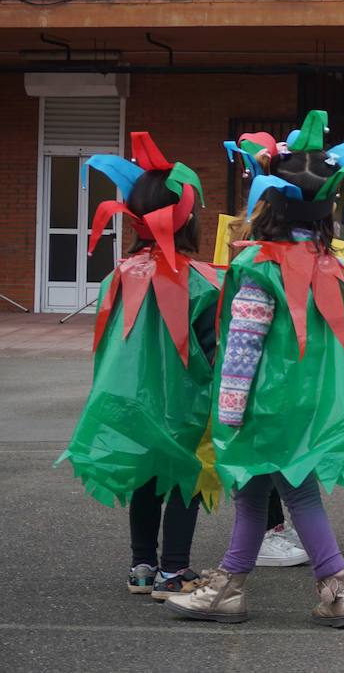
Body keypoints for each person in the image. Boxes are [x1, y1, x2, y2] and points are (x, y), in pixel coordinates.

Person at [166, 112, 344, 627]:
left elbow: (244, 344)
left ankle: (318, 586)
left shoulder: (259, 265)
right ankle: (267, 588)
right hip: (308, 405)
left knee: (276, 495)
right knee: (263, 493)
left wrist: (229, 410)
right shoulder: (330, 264)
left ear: (269, 204)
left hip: (263, 404)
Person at [57, 134, 217, 600]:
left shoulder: (116, 277)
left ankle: (142, 566)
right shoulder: (204, 283)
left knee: (147, 477)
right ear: (188, 219)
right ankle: (176, 571)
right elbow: (211, 348)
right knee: (185, 477)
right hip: (184, 404)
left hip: (130, 403)